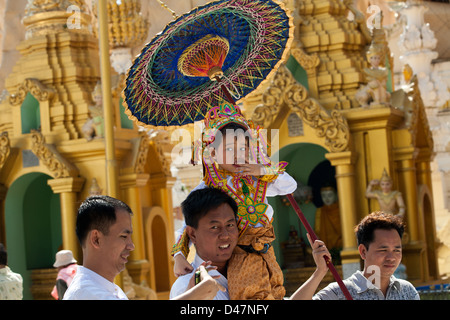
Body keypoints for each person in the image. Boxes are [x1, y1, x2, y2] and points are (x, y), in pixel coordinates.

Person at [171, 101, 297, 300]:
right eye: (229, 150)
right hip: (233, 255)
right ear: (211, 153)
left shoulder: (258, 177)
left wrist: (262, 170)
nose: (238, 155)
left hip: (263, 252)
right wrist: (178, 256)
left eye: (243, 148)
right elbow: (187, 226)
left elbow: (290, 186)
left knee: (275, 291)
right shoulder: (208, 187)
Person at [170, 187, 331, 300]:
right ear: (192, 233)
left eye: (230, 225)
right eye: (214, 227)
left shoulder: (252, 269)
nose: (225, 235)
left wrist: (319, 272)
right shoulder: (187, 286)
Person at [64, 195, 222, 300]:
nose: (131, 246)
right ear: (96, 239)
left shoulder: (111, 290)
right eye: (123, 237)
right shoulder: (85, 293)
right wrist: (193, 295)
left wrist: (190, 291)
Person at [313, 211, 420, 300]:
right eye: (383, 250)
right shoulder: (339, 292)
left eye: (397, 250)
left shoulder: (407, 291)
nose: (391, 258)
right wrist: (320, 271)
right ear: (363, 251)